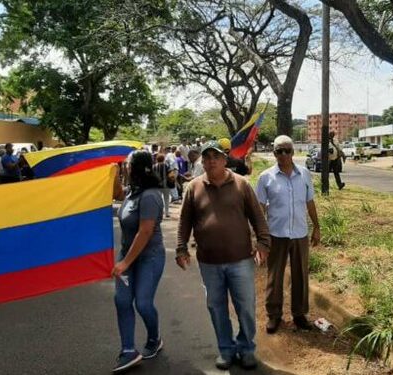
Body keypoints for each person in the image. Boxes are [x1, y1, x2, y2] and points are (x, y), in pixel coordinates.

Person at [176, 140, 271, 371]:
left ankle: (247, 348)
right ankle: (226, 350)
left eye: (215, 157)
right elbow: (184, 221)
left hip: (240, 260)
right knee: (216, 308)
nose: (210, 161)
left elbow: (257, 217)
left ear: (224, 160)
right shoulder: (194, 187)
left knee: (246, 307)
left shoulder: (241, 184)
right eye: (206, 158)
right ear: (202, 161)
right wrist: (181, 248)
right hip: (209, 262)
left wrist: (263, 242)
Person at [256, 135, 321, 334]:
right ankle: (274, 315)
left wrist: (317, 227)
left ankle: (299, 314)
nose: (283, 154)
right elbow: (260, 208)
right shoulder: (266, 177)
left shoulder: (304, 174)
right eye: (279, 151)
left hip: (300, 233)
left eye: (287, 150)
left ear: (293, 152)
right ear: (274, 153)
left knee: (300, 274)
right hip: (277, 234)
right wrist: (260, 237)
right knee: (275, 276)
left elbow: (310, 202)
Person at [111, 150, 166, 372]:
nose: (125, 166)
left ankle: (154, 339)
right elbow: (115, 193)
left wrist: (124, 263)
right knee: (122, 301)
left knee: (143, 303)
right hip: (127, 256)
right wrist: (113, 172)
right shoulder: (132, 192)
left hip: (149, 258)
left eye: (127, 164)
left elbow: (145, 232)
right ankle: (128, 351)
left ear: (137, 167)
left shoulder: (151, 195)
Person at [152, 154, 174, 218]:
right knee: (166, 199)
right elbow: (171, 175)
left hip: (157, 186)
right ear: (163, 159)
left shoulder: (154, 166)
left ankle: (159, 213)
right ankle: (166, 213)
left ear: (157, 159)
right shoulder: (167, 166)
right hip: (166, 185)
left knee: (158, 199)